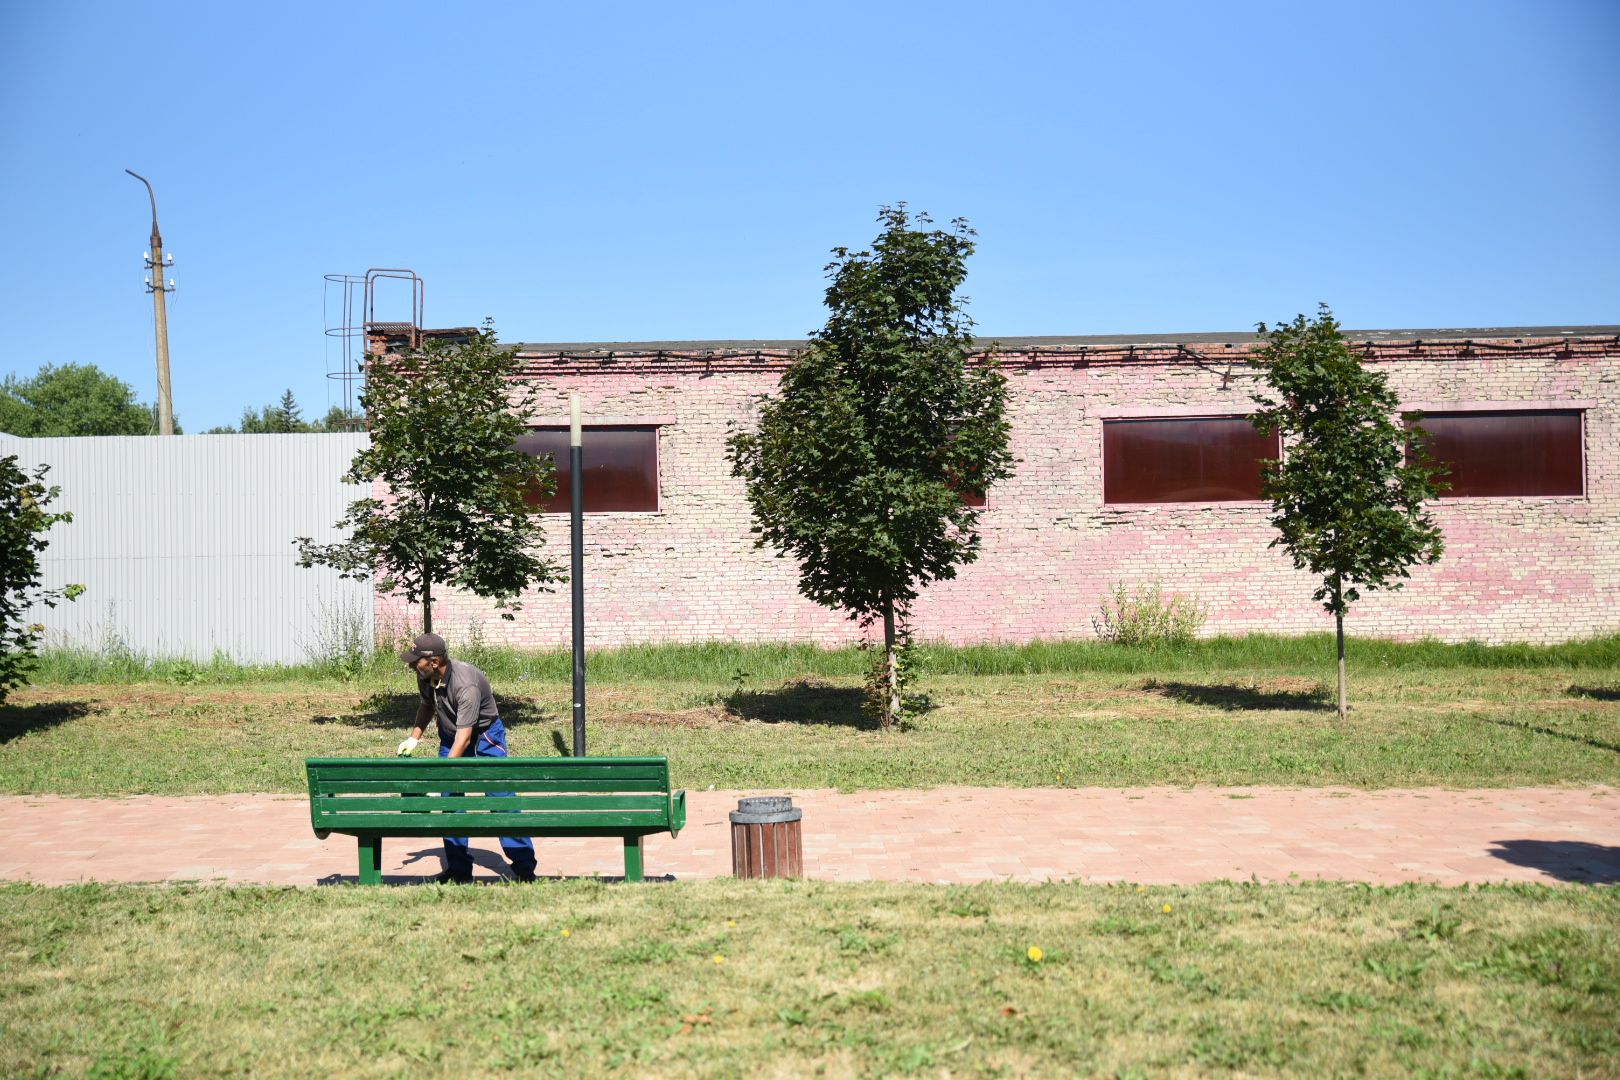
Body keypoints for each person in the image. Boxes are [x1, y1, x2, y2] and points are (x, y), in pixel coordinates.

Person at [397, 632, 537, 883]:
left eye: (415, 660)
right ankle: (459, 870)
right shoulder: (426, 676)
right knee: (451, 800)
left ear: (434, 662)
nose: (410, 665)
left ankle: (524, 867)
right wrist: (414, 738)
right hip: (452, 734)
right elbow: (427, 706)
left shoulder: (466, 685)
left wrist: (443, 777)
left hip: (485, 736)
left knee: (501, 796)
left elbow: (465, 739)